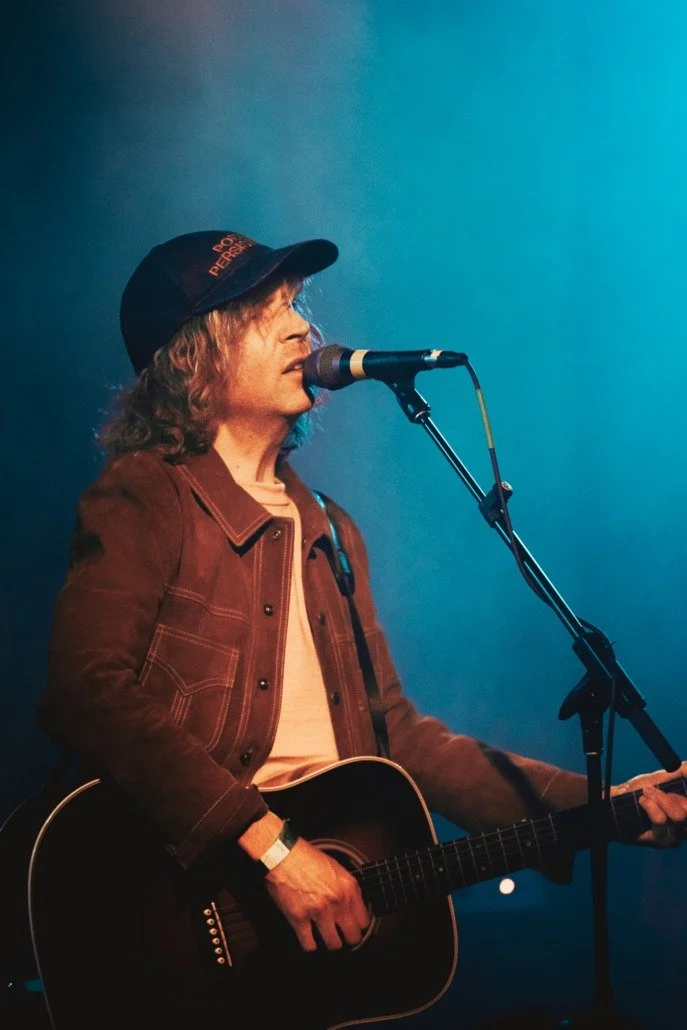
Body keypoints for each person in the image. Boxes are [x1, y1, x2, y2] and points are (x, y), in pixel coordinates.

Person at [35, 229, 687, 1029]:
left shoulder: (331, 534)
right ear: (191, 359)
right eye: (259, 310)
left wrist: (604, 801)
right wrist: (273, 849)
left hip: (304, 949)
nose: (301, 328)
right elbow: (84, 691)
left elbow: (401, 740)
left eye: (294, 304)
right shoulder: (148, 495)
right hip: (167, 907)